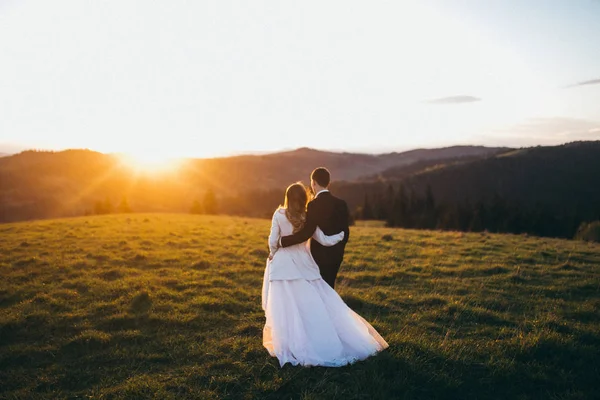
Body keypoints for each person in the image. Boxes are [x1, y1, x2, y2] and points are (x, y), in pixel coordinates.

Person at [262, 182, 388, 367]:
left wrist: (273, 253)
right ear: (305, 198)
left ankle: (289, 343)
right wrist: (340, 236)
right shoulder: (307, 217)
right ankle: (319, 339)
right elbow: (324, 240)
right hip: (305, 266)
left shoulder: (279, 214)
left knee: (285, 308)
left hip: (283, 267)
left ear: (287, 197)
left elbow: (273, 240)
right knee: (310, 305)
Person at [279, 167, 349, 289]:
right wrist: (339, 249)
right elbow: (346, 232)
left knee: (319, 288)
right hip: (337, 255)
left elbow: (307, 232)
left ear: (313, 183)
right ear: (328, 183)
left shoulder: (313, 205)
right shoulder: (341, 204)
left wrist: (283, 241)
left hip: (319, 257)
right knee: (330, 287)